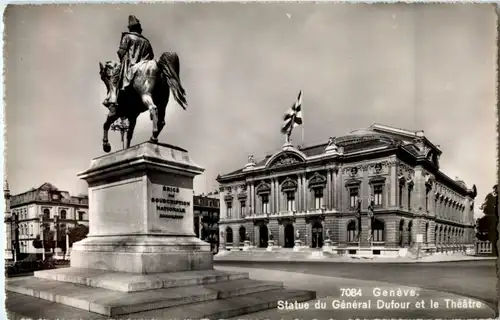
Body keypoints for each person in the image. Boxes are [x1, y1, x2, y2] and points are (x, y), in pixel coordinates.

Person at [108, 15, 155, 105]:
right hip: (143, 66)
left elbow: (121, 52)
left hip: (130, 66)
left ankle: (113, 99)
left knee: (114, 77)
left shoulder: (127, 37)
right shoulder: (146, 42)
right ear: (139, 29)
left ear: (130, 28)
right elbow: (151, 56)